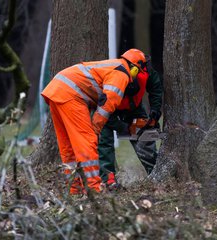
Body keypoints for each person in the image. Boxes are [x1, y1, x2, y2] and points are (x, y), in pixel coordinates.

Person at [41, 49, 146, 194]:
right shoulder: (122, 73)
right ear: (134, 68)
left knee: (68, 146)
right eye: (137, 72)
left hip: (57, 90)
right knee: (88, 141)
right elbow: (107, 104)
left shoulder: (113, 66)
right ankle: (93, 188)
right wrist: (96, 129)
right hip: (71, 94)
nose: (135, 77)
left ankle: (74, 188)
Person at [98, 54, 163, 189]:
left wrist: (155, 111)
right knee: (104, 141)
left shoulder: (147, 71)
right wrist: (123, 127)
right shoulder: (116, 73)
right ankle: (108, 180)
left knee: (144, 137)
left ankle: (156, 174)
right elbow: (103, 111)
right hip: (109, 107)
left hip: (134, 107)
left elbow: (156, 89)